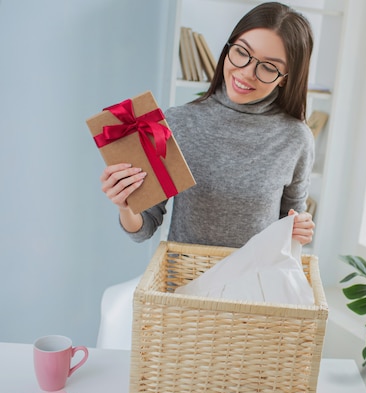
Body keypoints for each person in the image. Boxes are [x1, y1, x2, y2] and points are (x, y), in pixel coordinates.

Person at [99, 2, 316, 248]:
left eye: (268, 67)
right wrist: (126, 206)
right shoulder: (178, 123)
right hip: (184, 280)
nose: (246, 73)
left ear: (285, 79)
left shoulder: (296, 138)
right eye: (242, 53)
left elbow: (290, 223)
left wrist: (299, 228)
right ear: (228, 49)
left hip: (253, 282)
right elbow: (144, 228)